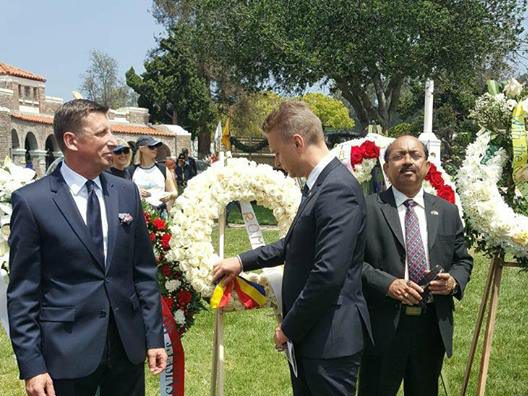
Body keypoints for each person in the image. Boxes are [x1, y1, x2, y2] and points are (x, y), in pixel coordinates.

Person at [7, 99, 167, 396]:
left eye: (112, 131)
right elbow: (23, 292)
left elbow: (142, 271)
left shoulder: (125, 191)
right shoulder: (33, 202)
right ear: (72, 140)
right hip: (65, 354)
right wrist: (32, 365)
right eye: (102, 133)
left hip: (126, 350)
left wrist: (154, 336)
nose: (113, 141)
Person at [213, 101, 371, 396]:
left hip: (329, 339)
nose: (275, 161)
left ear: (297, 142)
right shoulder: (319, 185)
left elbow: (327, 274)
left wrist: (289, 328)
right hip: (315, 335)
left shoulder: (336, 189)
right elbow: (293, 246)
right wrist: (240, 260)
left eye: (276, 152)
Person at [358, 135, 473, 396]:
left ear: (427, 167)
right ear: (386, 167)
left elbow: (462, 259)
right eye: (398, 156)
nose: (407, 161)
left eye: (415, 155)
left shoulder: (447, 212)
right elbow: (352, 263)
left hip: (430, 328)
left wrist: (453, 281)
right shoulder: (366, 209)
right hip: (382, 327)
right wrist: (387, 284)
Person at [129, 136, 177, 213]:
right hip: (139, 213)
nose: (155, 149)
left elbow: (174, 192)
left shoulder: (163, 169)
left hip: (160, 213)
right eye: (151, 147)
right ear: (141, 148)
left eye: (156, 146)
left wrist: (169, 195)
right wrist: (136, 192)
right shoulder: (131, 171)